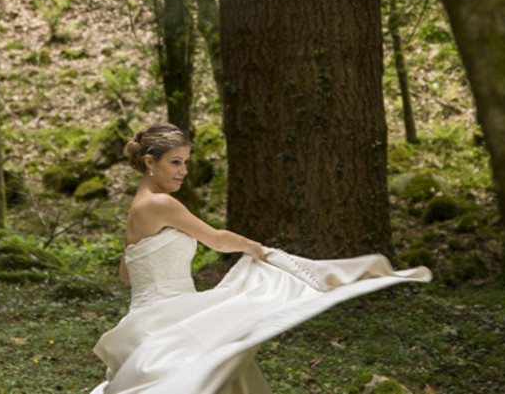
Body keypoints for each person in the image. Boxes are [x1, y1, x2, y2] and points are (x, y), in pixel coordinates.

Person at [91, 124, 431, 394]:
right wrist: (257, 249)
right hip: (165, 316)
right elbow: (216, 240)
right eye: (175, 162)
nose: (184, 171)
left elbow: (126, 273)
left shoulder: (140, 204)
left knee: (216, 375)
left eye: (186, 162)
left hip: (159, 311)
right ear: (150, 162)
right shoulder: (161, 204)